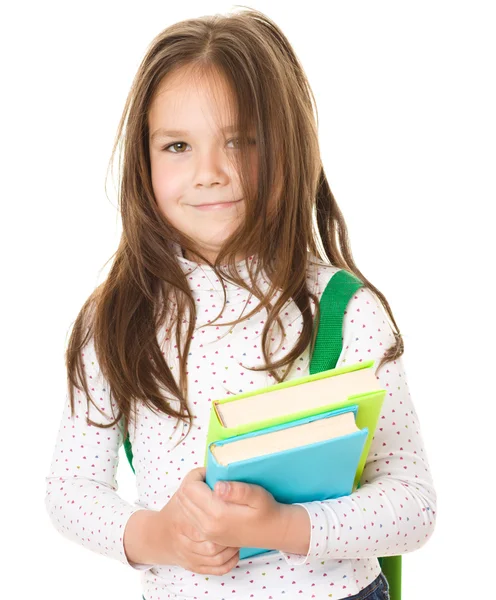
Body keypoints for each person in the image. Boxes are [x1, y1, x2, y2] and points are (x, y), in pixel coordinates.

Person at [45, 7, 437, 600]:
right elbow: (70, 490)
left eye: (241, 141)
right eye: (177, 145)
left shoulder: (344, 310)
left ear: (289, 147)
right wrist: (161, 536)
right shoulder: (117, 318)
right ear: (143, 160)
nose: (209, 173)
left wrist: (284, 527)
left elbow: (412, 504)